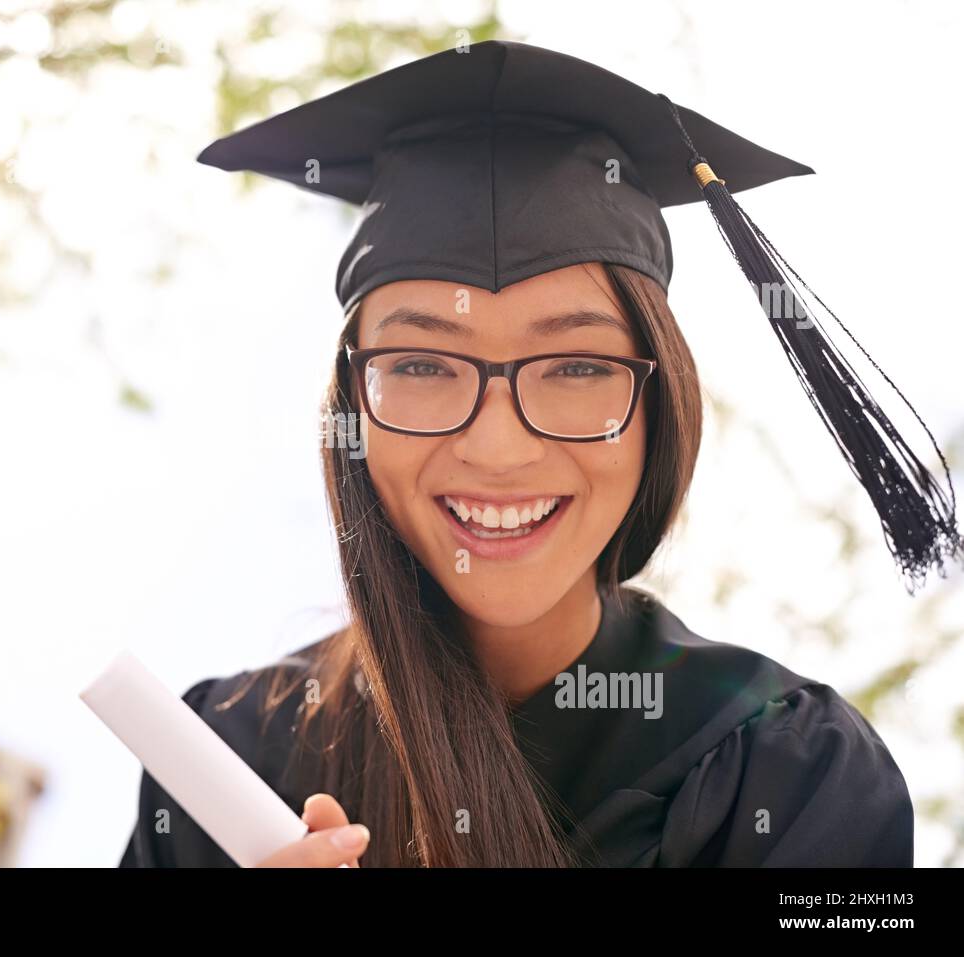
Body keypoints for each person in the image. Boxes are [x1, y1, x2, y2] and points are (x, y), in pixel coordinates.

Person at [119, 40, 951, 867]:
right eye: (420, 365)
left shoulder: (790, 774)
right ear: (351, 408)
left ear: (661, 406)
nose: (498, 444)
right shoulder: (226, 765)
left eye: (578, 367)